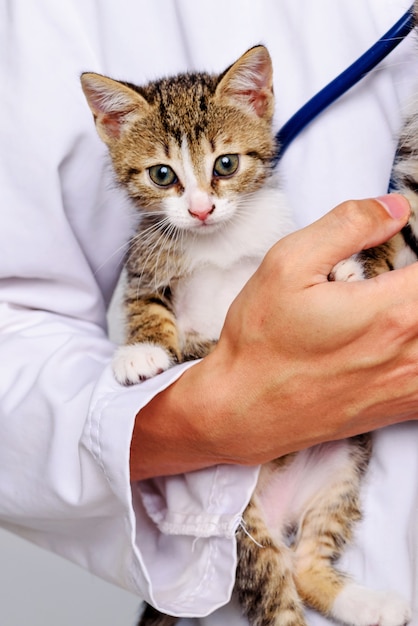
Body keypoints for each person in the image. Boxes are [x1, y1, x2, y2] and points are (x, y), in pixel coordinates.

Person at [1, 0, 418, 624]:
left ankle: (315, 575)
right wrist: (205, 419)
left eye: (224, 166)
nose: (198, 203)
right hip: (238, 510)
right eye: (167, 177)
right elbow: (18, 330)